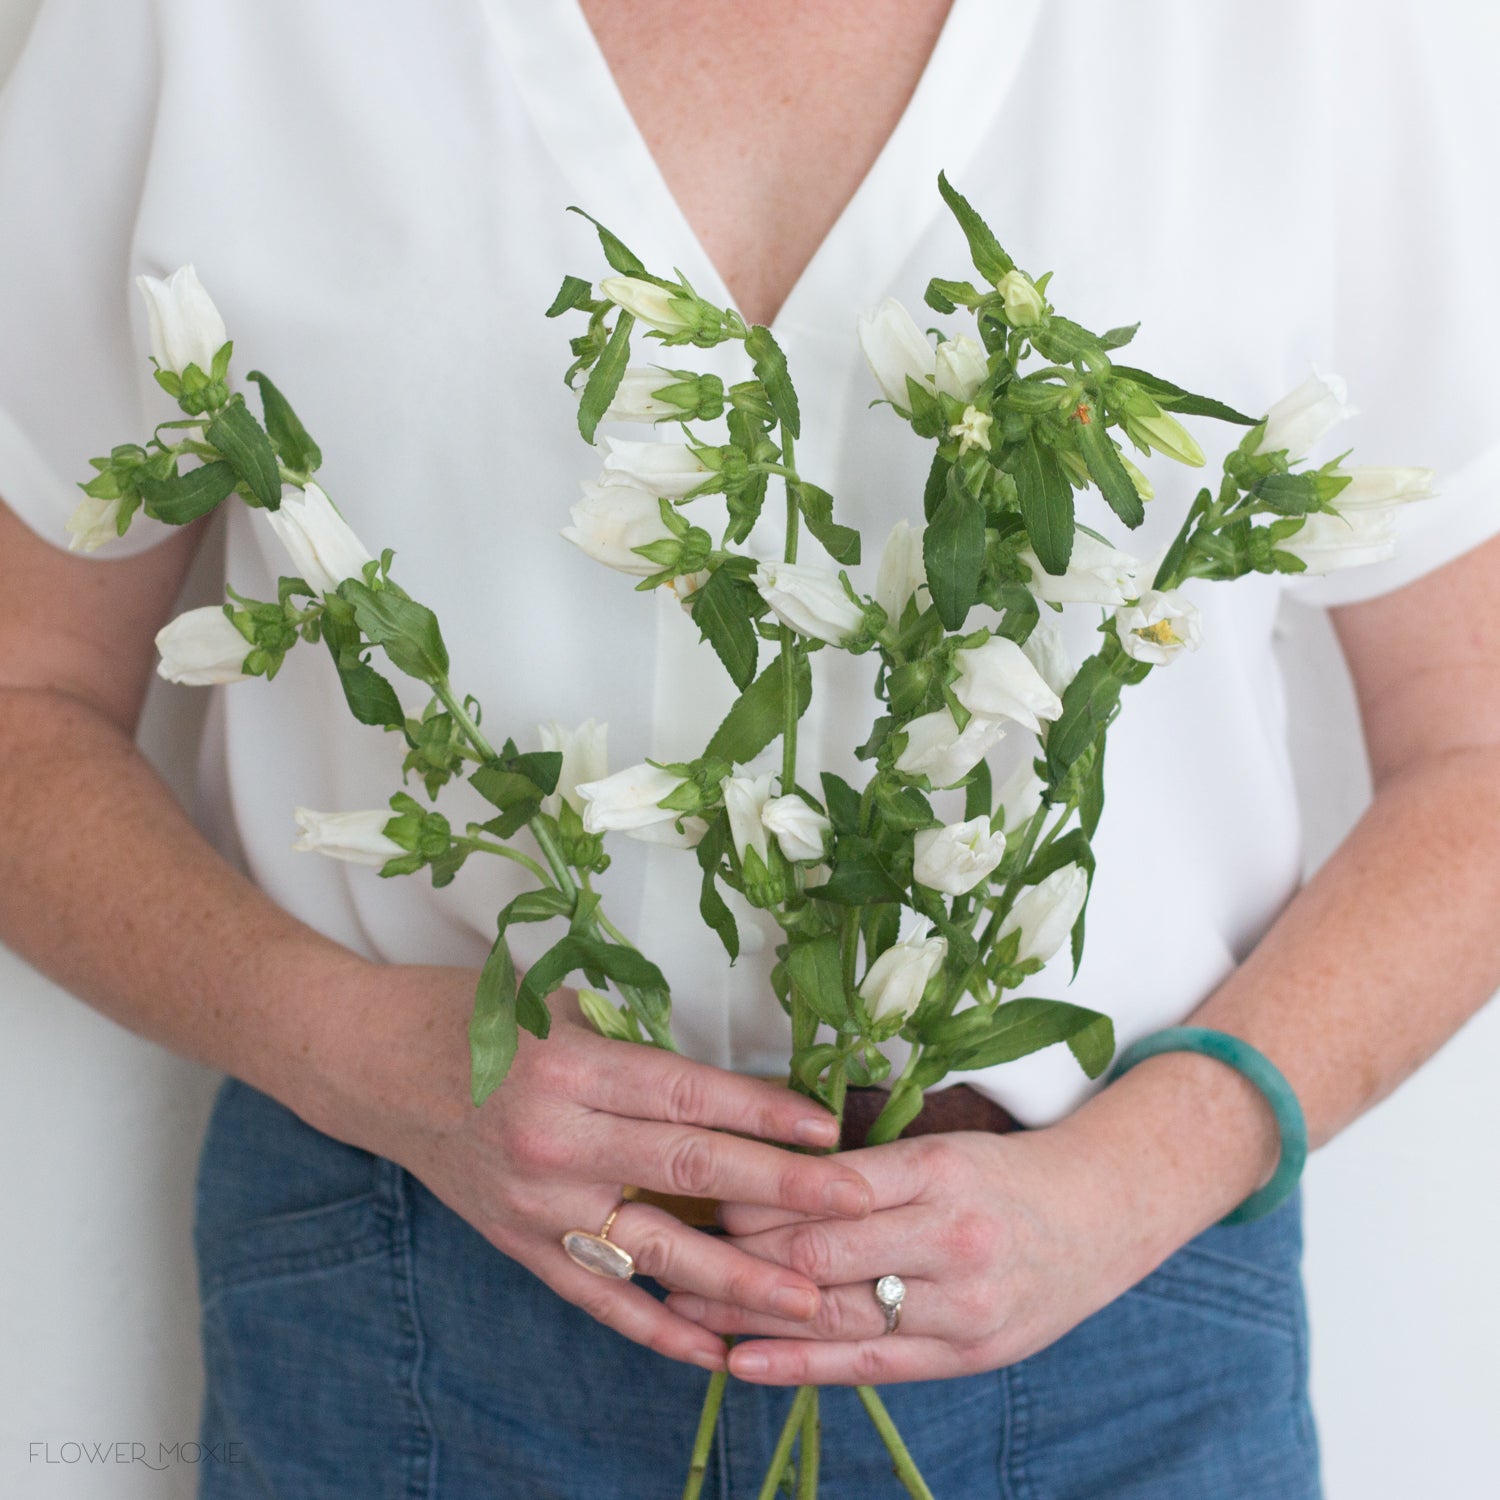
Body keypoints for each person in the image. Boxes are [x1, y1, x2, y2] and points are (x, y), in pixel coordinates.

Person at [1, 0, 1497, 1495]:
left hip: (1107, 1302)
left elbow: (1475, 748)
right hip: (410, 1288)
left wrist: (1156, 1165)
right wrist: (348, 1046)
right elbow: (28, 694)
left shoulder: (1321, 36)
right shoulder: (203, 29)